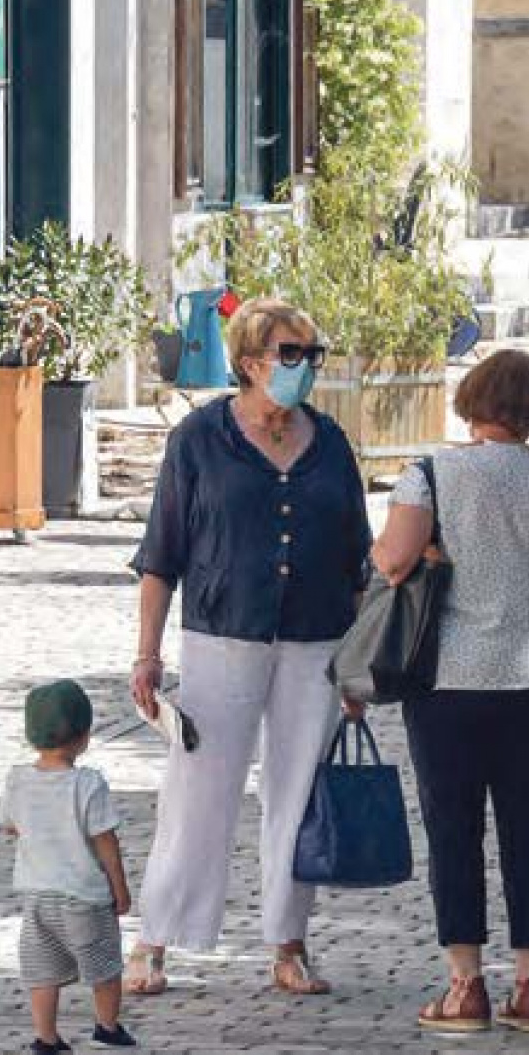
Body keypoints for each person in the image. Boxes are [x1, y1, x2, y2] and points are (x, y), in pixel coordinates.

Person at [126, 298, 371, 997]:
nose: (303, 369)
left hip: (314, 642)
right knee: (198, 792)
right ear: (250, 361)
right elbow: (160, 554)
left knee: (298, 794)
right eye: (290, 355)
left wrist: (356, 664)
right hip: (221, 635)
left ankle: (287, 943)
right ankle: (156, 937)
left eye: (311, 356)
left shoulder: (329, 444)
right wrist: (147, 655)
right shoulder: (201, 439)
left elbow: (358, 557)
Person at [372, 349, 529, 1035]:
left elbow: (390, 560)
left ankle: (465, 985)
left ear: (470, 402)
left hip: (451, 681)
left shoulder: (432, 477)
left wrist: (429, 555)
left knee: (454, 827)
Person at [0, 679, 137, 1053]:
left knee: (41, 971)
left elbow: (11, 825)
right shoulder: (88, 785)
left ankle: (46, 1037)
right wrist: (120, 890)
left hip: (36, 897)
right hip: (84, 899)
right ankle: (107, 1028)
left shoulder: (17, 781)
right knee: (104, 967)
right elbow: (106, 842)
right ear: (84, 736)